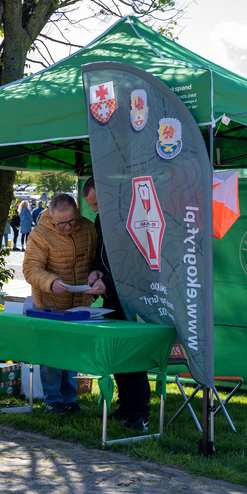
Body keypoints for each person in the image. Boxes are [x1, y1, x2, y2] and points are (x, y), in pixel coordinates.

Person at [22, 193, 102, 414]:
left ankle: (70, 399)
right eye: (61, 223)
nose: (68, 227)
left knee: (72, 353)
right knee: (51, 355)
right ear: (51, 218)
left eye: (72, 221)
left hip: (80, 304)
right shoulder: (39, 234)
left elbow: (97, 258)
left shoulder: (88, 228)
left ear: (77, 212)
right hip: (50, 304)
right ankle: (53, 400)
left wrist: (97, 276)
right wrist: (51, 281)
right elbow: (30, 269)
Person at [83, 177, 151, 432]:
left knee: (132, 354)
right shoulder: (102, 220)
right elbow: (103, 254)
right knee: (117, 353)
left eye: (97, 203)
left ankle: (141, 412)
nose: (95, 210)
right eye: (91, 205)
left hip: (134, 296)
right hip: (112, 296)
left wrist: (107, 282)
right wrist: (96, 272)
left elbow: (137, 263)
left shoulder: (134, 215)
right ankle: (125, 405)